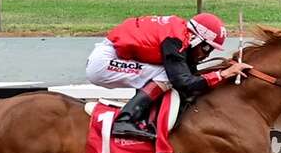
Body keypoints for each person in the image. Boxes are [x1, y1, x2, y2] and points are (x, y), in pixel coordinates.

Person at [84, 12, 247, 141]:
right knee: (165, 74)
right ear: (197, 39)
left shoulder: (180, 33)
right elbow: (183, 82)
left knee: (163, 73)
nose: (206, 55)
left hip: (113, 56)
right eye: (206, 48)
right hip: (104, 63)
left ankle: (140, 117)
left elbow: (188, 73)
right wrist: (223, 74)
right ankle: (125, 120)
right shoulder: (174, 40)